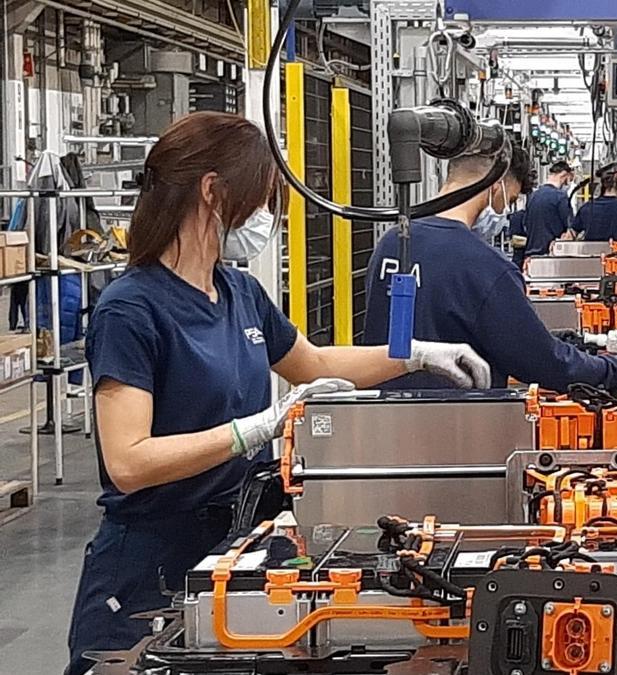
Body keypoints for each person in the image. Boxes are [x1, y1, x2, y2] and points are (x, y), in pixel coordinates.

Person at [66, 112, 490, 675]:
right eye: (262, 198)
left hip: (232, 542)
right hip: (149, 563)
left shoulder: (237, 290)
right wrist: (257, 428)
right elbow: (128, 462)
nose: (268, 217)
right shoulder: (131, 308)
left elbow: (310, 363)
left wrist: (414, 354)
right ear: (213, 191)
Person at [362, 148, 617, 392]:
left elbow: (439, 326)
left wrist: (547, 337)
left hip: (383, 422)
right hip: (455, 428)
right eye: (508, 201)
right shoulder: (484, 264)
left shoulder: (391, 242)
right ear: (495, 185)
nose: (504, 212)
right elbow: (546, 364)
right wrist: (616, 368)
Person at [519, 161, 575, 259]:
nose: (567, 184)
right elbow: (571, 229)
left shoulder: (533, 196)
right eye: (568, 180)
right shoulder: (560, 197)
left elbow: (525, 225)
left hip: (531, 255)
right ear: (563, 175)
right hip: (552, 256)